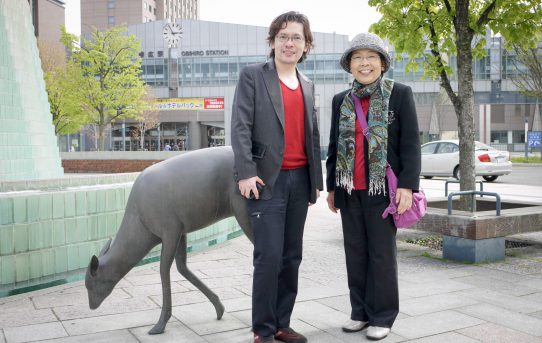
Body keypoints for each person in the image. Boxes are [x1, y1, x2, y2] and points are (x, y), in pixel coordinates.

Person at [231, 11, 323, 343]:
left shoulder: (308, 85)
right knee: (268, 256)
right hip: (266, 181)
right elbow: (240, 126)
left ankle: (282, 323)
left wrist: (316, 184)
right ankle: (263, 330)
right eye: (283, 36)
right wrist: (246, 172)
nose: (289, 43)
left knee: (291, 256)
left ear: (306, 44)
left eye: (296, 37)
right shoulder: (254, 76)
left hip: (300, 180)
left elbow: (312, 136)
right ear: (273, 41)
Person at [326, 33, 421, 341]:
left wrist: (407, 186)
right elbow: (333, 146)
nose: (364, 63)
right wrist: (331, 188)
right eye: (357, 57)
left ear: (382, 63)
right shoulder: (341, 100)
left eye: (370, 57)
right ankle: (360, 313)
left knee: (381, 255)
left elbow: (410, 145)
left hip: (383, 191)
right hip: (349, 189)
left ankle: (383, 316)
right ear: (350, 65)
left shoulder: (400, 94)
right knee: (355, 253)